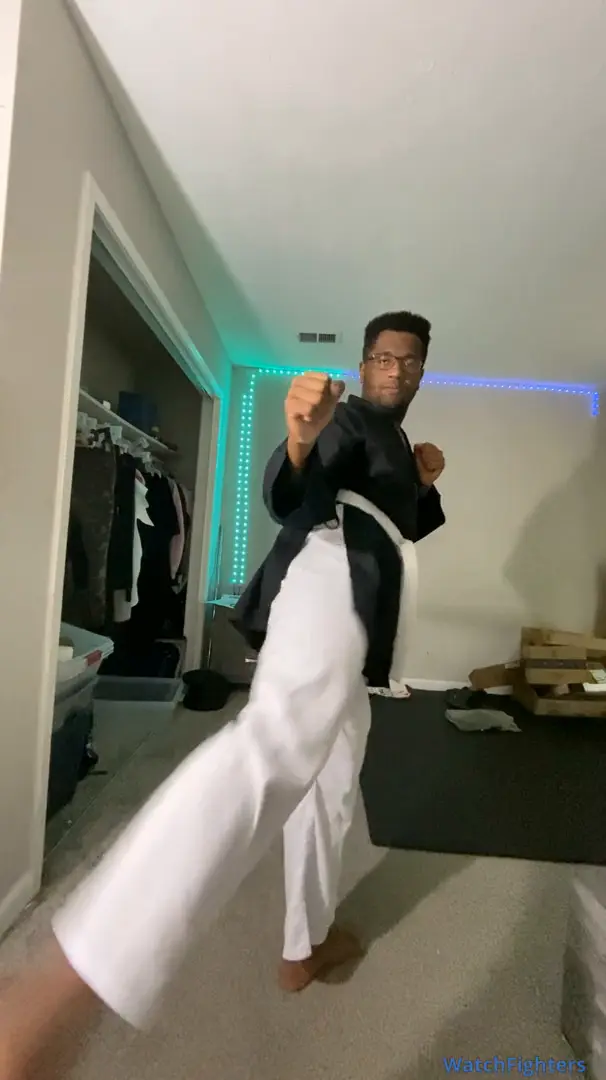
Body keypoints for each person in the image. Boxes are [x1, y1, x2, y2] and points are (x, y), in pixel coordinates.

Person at [0, 310, 445, 1079]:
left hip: (365, 609)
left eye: (409, 361)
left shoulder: (400, 445)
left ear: (422, 371)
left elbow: (402, 526)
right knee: (272, 748)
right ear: (364, 363)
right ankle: (60, 985)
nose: (395, 370)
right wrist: (299, 439)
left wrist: (426, 483)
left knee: (332, 783)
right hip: (329, 575)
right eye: (383, 357)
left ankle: (303, 944)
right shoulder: (349, 420)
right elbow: (296, 486)